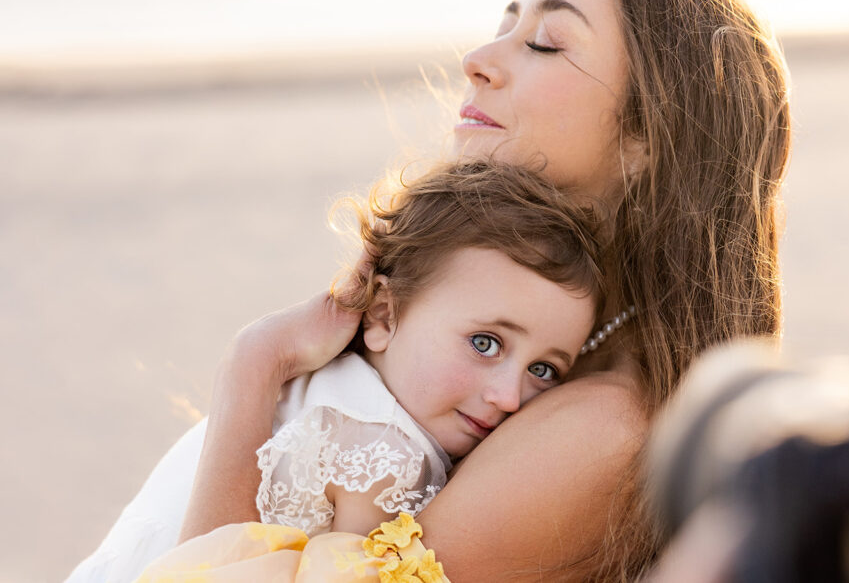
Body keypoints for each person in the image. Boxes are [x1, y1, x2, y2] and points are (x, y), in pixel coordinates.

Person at [80, 0, 792, 582]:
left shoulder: (605, 427)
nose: (477, 63)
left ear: (646, 140)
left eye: (545, 42)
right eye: (502, 27)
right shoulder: (515, 312)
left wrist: (254, 364)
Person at [70, 160, 605, 581]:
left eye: (545, 369)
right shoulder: (386, 458)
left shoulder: (325, 387)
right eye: (484, 343)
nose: (511, 396)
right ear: (382, 314)